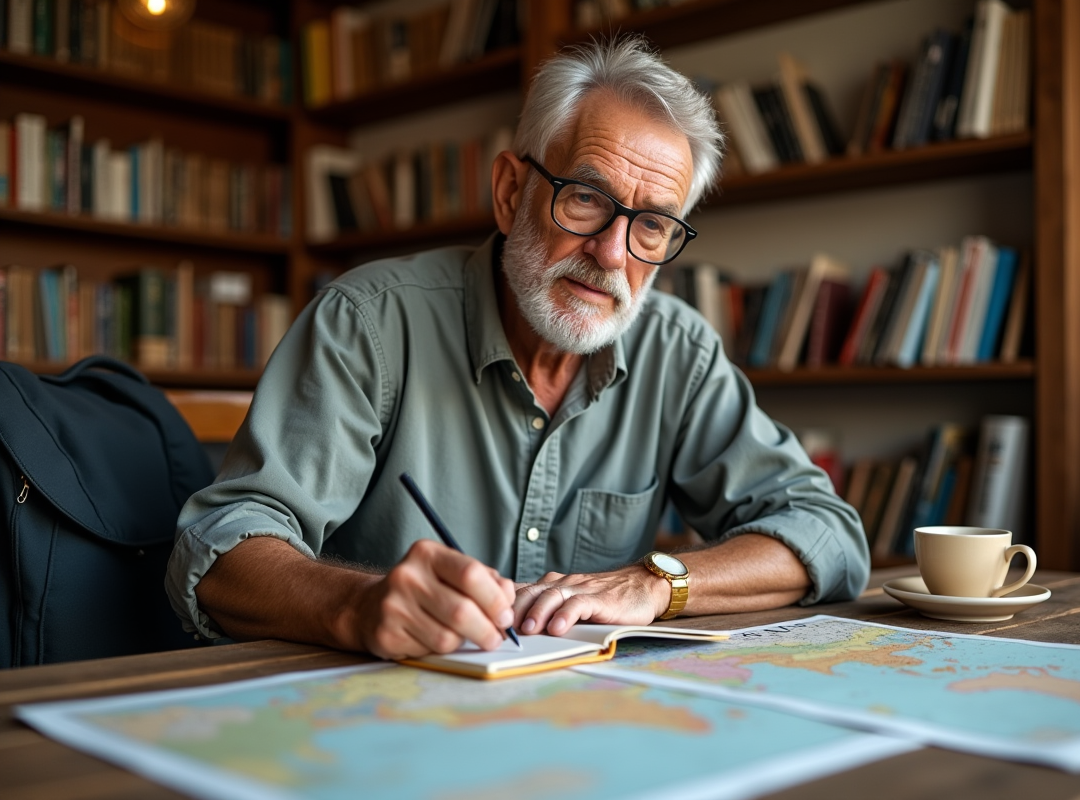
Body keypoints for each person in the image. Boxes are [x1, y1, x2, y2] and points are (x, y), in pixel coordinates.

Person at [168, 37, 869, 661]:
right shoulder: (369, 323)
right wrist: (355, 605)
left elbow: (827, 532)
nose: (611, 253)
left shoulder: (676, 352)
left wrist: (659, 583)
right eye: (586, 199)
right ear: (510, 192)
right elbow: (221, 548)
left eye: (652, 226)